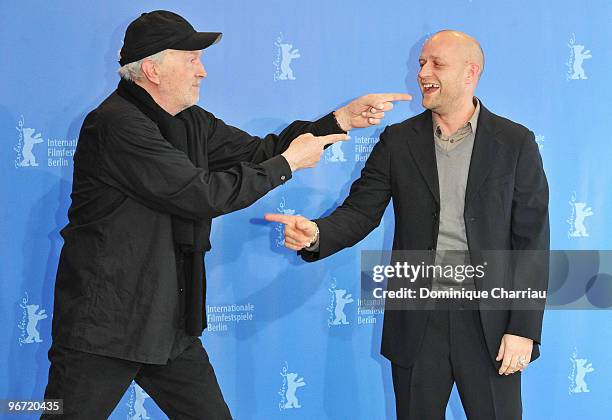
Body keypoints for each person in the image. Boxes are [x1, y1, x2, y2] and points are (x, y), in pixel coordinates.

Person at [41, 10, 411, 419]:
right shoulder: (115, 125)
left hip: (169, 324)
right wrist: (287, 165)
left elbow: (259, 152)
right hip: (105, 328)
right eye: (191, 60)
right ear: (152, 70)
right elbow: (200, 194)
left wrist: (337, 121)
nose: (202, 72)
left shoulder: (191, 121)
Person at [266, 30, 549, 419]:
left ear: (471, 73)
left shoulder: (516, 142)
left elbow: (531, 242)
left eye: (437, 64)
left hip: (491, 325)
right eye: (421, 64)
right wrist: (316, 234)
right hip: (417, 321)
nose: (423, 73)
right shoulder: (398, 140)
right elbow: (360, 212)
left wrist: (524, 327)